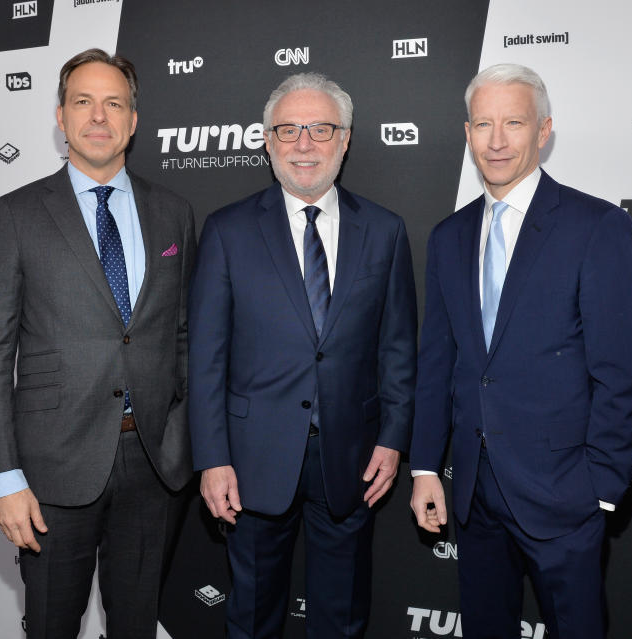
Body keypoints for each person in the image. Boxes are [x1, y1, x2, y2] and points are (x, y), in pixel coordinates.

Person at [409, 63, 632, 639]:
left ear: (544, 131)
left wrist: (601, 489)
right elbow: (437, 363)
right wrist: (424, 466)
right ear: (467, 133)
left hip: (565, 493)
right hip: (473, 492)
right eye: (483, 124)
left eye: (513, 123)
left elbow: (622, 371)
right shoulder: (449, 237)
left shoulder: (597, 227)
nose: (496, 141)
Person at [0, 48, 195, 639]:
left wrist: (182, 431)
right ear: (61, 118)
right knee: (49, 625)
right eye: (84, 102)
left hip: (152, 462)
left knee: (136, 625)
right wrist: (3, 477)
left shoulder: (172, 213)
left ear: (134, 120)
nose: (100, 116)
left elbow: (183, 334)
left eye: (114, 103)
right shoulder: (15, 214)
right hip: (52, 468)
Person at [188, 72, 417, 638]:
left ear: (345, 139)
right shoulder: (227, 231)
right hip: (251, 462)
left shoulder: (385, 231)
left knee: (340, 620)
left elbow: (398, 350)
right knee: (252, 617)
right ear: (267, 142)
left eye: (321, 128)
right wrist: (212, 458)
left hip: (352, 460)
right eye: (288, 130)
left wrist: (392, 438)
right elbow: (207, 359)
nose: (304, 143)